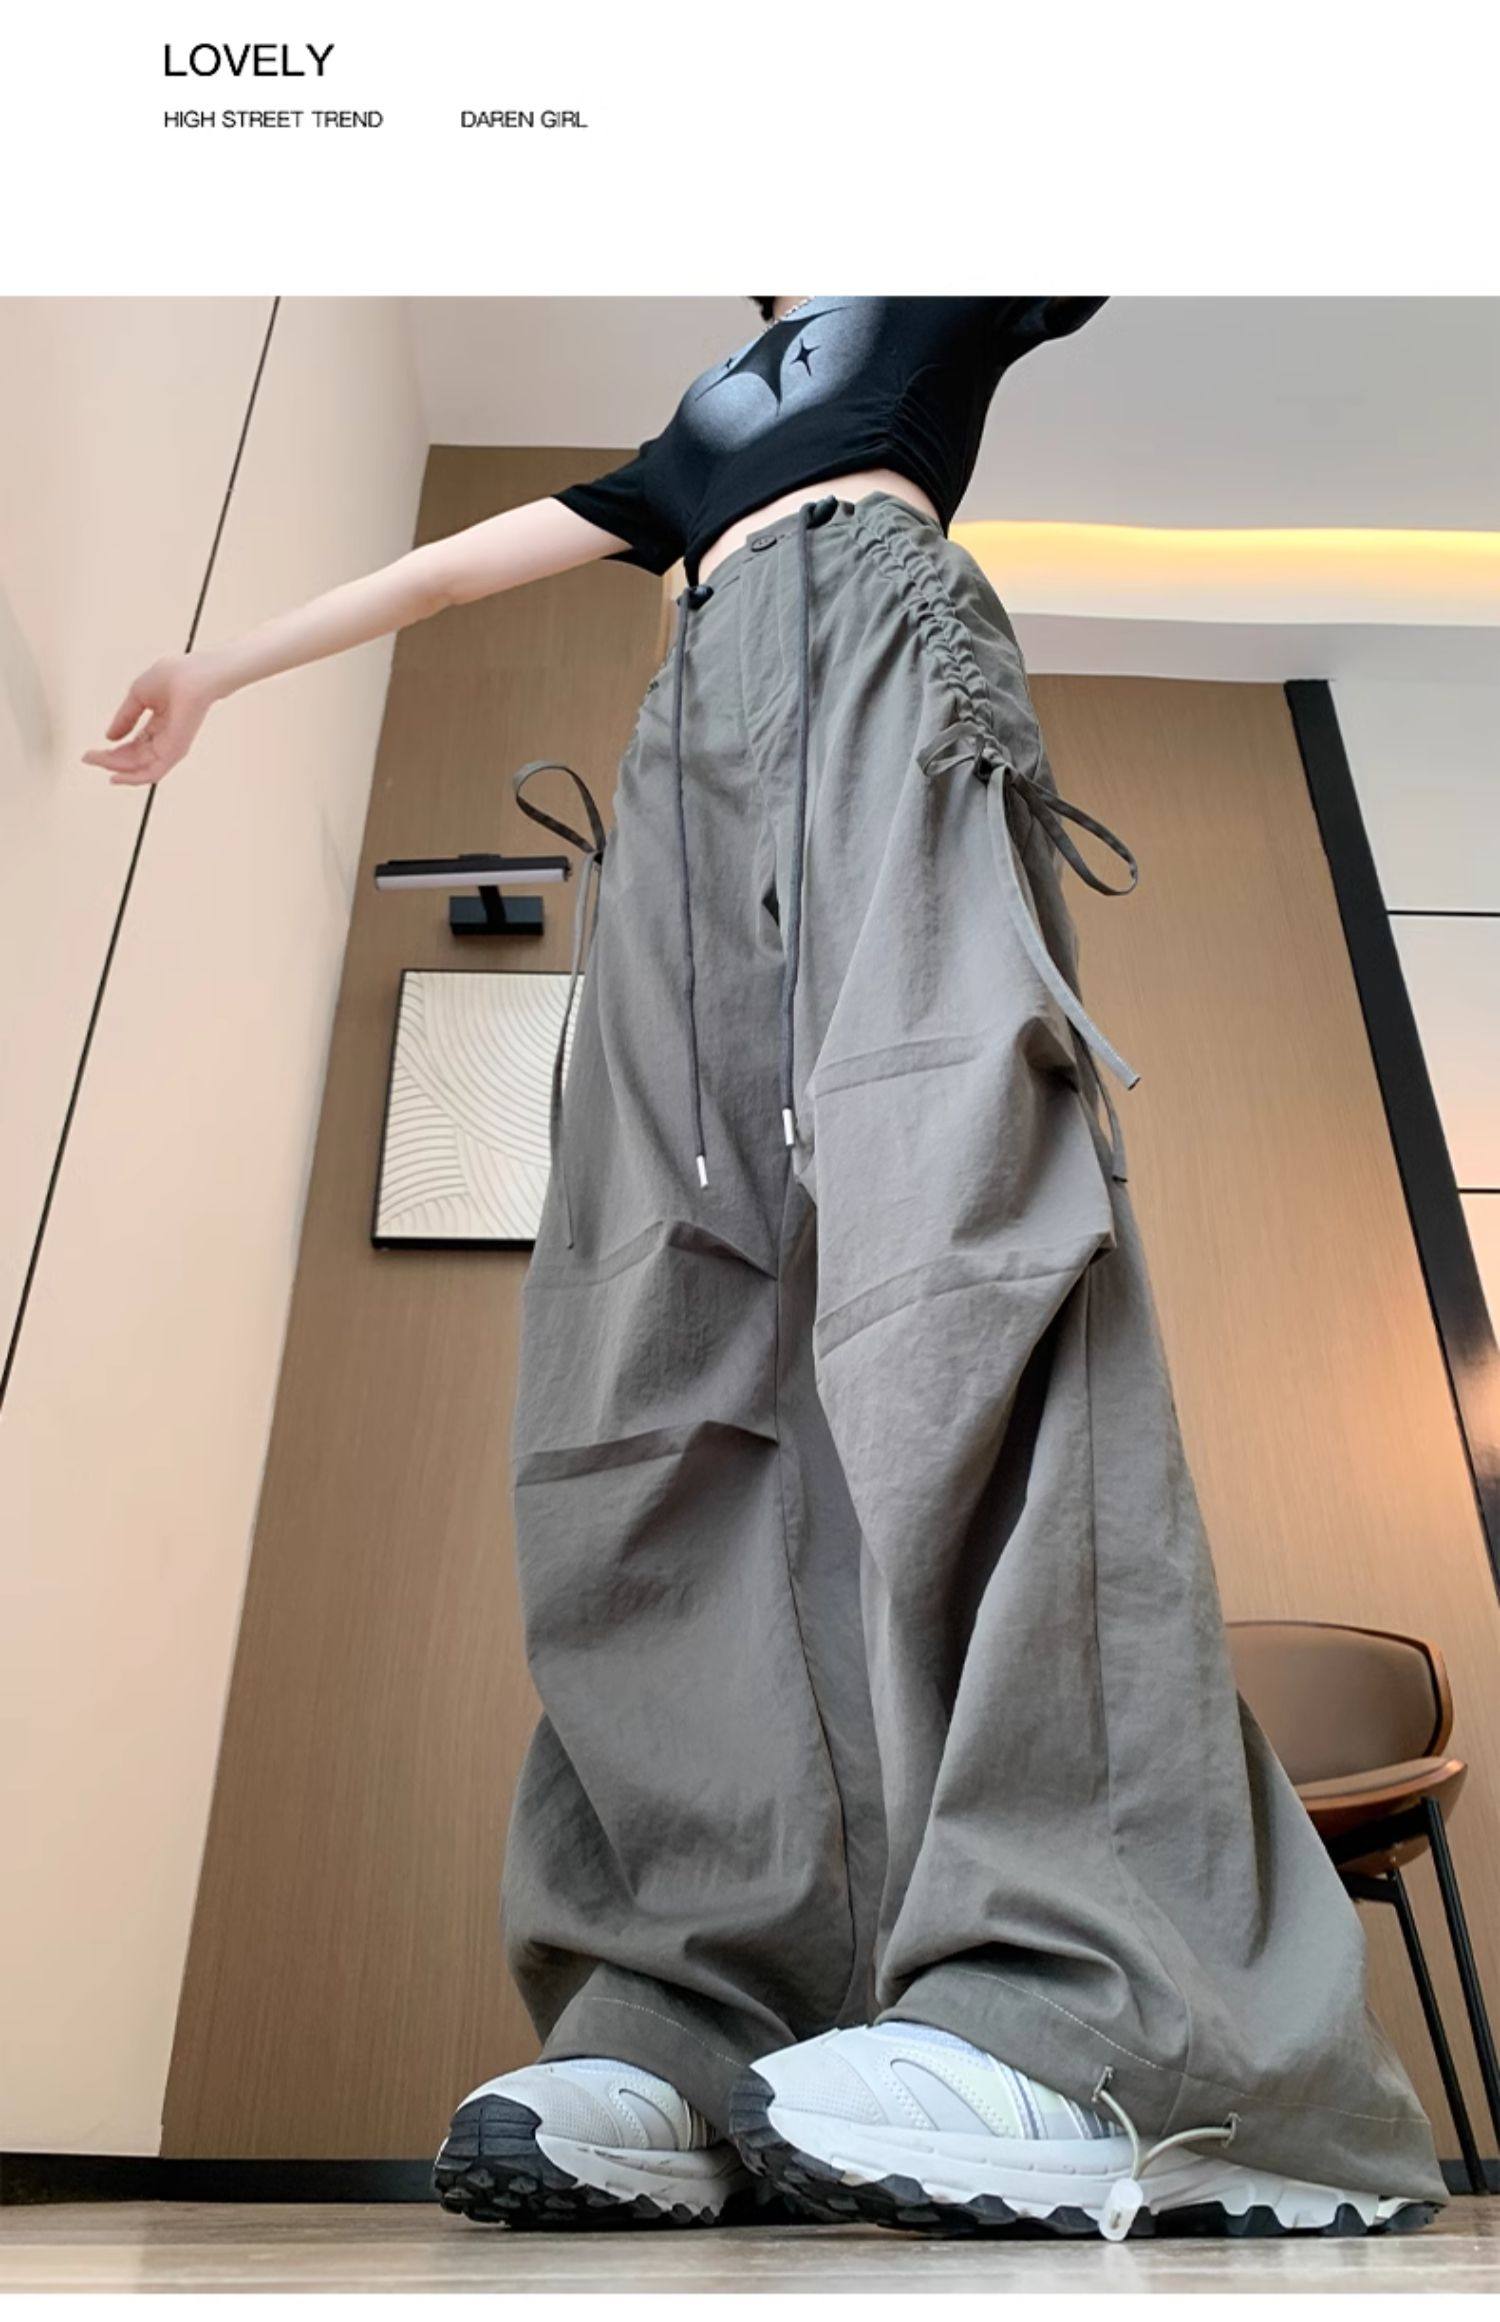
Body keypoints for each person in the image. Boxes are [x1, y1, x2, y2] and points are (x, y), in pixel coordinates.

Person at [87, 296, 1446, 2242]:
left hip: (883, 652)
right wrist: (221, 665)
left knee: (960, 1248)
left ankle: (1107, 2012)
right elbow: (462, 564)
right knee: (651, 1346)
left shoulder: (939, 280)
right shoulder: (704, 418)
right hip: (685, 741)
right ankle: (697, 2000)